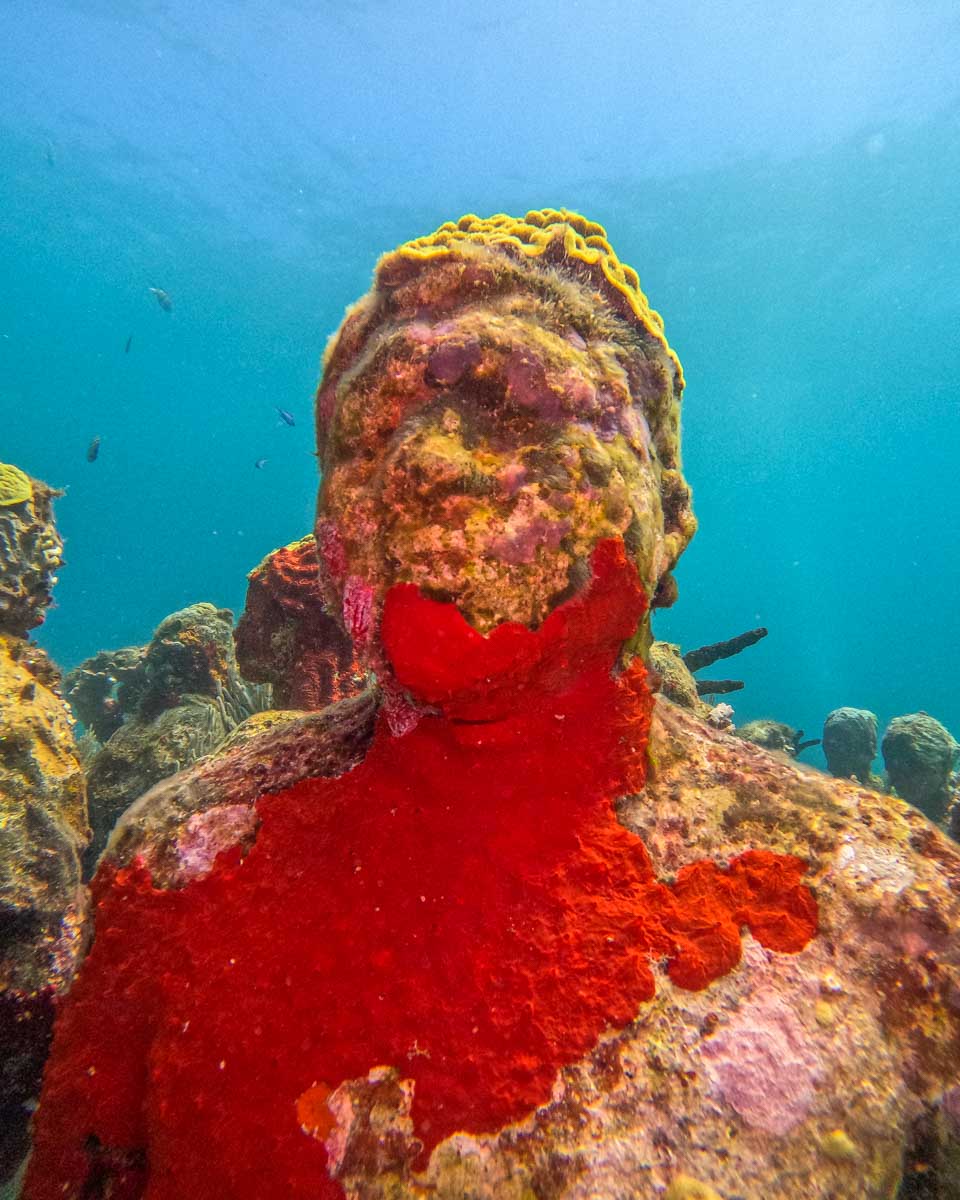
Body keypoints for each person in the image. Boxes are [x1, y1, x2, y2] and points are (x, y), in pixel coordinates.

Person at [25, 212, 960, 1200]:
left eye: (517, 404)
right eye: (374, 429)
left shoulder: (901, 917)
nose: (425, 463)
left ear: (667, 511)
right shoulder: (165, 868)